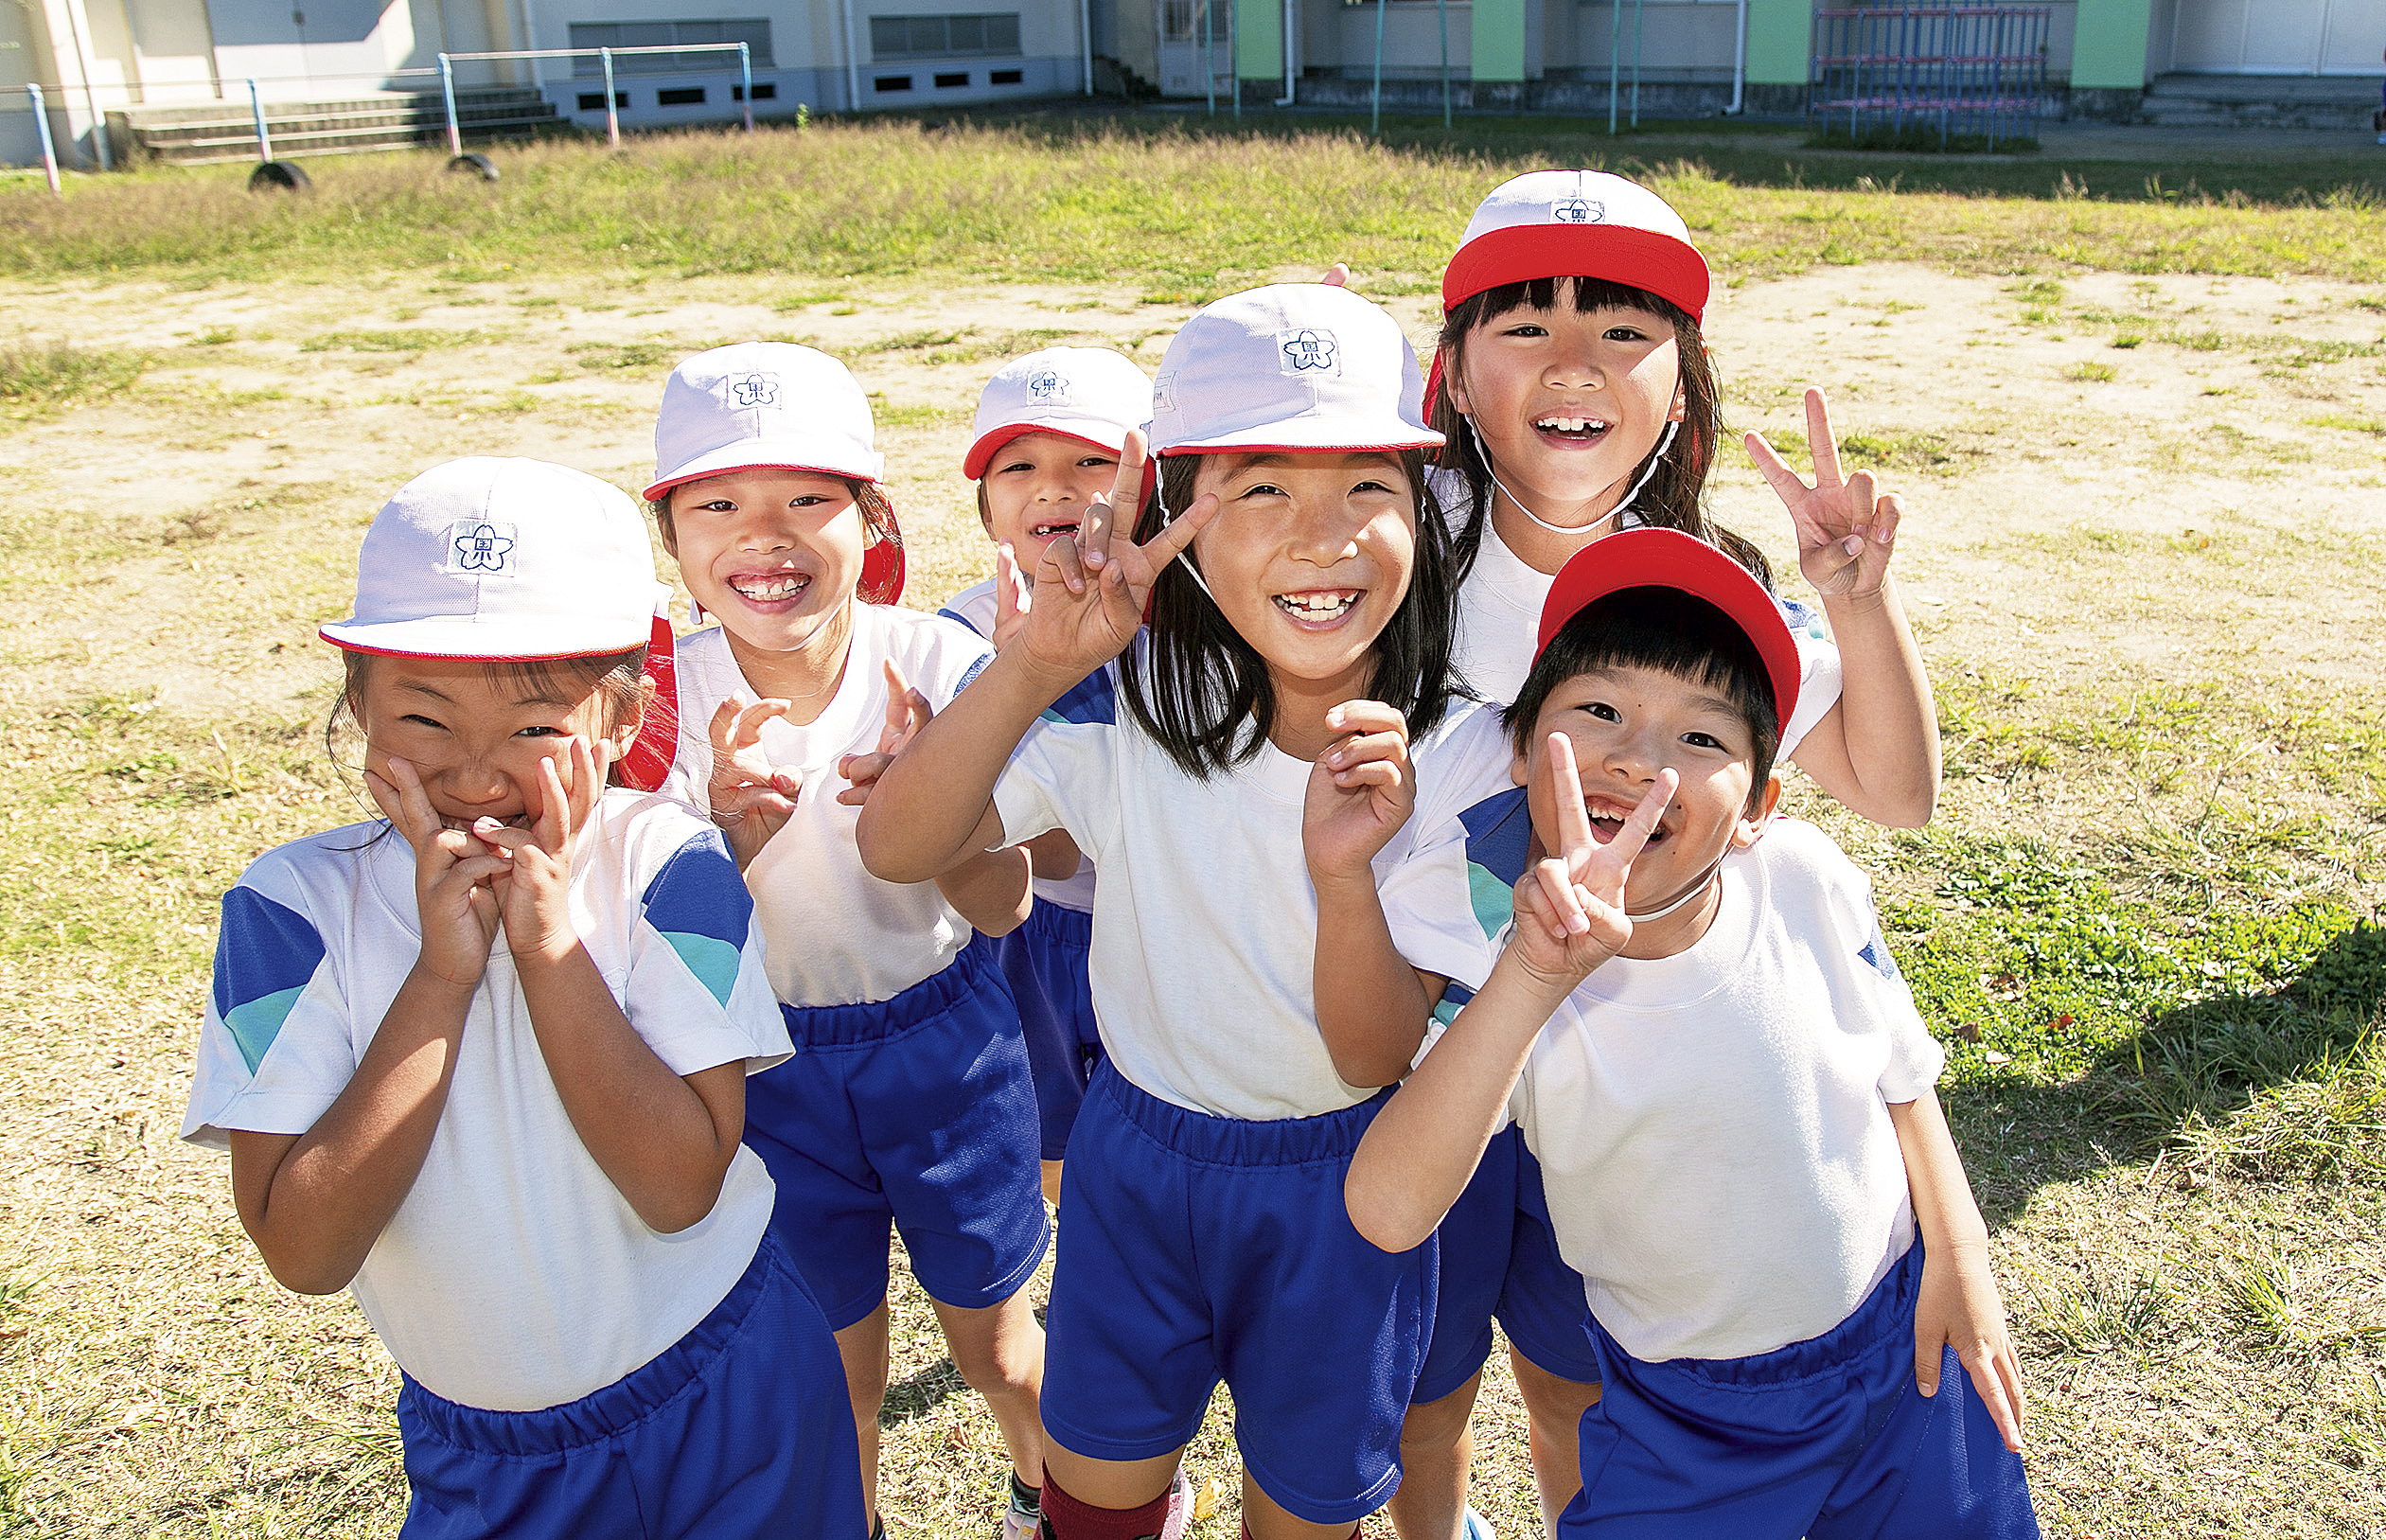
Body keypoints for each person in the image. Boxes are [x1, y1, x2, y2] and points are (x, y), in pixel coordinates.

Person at [857, 283, 1476, 1540]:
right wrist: (1034, 664)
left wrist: (1344, 871)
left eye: (1368, 483)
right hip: (1136, 1162)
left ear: (1423, 507)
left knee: (1303, 1511)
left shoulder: (1465, 746)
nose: (1320, 536)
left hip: (1346, 1178)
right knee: (1096, 1495)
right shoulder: (1120, 698)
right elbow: (897, 844)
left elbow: (1373, 1052)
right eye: (1260, 488)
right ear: (1176, 515)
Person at [1400, 168, 1948, 1532]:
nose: (1574, 362)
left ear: (1681, 383)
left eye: (1625, 330)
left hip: (1628, 1073)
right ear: (1452, 371)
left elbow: (1894, 790)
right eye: (1524, 324)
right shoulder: (1399, 546)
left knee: (1576, 1374)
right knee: (1419, 1390)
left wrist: (1857, 602)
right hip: (1435, 1047)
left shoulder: (1710, 583)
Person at [181, 456, 862, 1539]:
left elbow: (680, 1186)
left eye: (535, 727)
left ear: (622, 718)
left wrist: (548, 946)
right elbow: (304, 1252)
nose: (476, 775)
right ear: (358, 703)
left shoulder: (670, 863)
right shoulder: (289, 911)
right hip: (487, 1449)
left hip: (733, 1380)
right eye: (424, 717)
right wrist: (441, 976)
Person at [1339, 527, 2038, 1538]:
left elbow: (1899, 1073)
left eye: (1702, 738)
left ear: (1759, 805)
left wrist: (1961, 1252)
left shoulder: (1804, 878)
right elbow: (1387, 1208)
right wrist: (1532, 978)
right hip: (1682, 1419)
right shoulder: (1506, 961)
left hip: (1903, 1361)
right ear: (1523, 750)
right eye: (1600, 710)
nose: (1640, 757)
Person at [646, 343, 1050, 1540]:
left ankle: (1056, 1495)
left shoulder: (937, 662)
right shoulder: (657, 705)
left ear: (870, 517)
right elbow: (647, 958)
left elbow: (1005, 906)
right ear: (669, 535)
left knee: (996, 1346)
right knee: (834, 1375)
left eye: (806, 498)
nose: (763, 537)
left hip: (944, 1047)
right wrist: (727, 840)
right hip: (763, 1069)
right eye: (718, 505)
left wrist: (933, 817)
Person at [940, 346, 1155, 1206]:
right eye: (1017, 466)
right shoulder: (958, 634)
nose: (1053, 490)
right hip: (1032, 924)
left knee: (1156, 1111)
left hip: (1162, 916)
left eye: (1089, 462)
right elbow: (1044, 852)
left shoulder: (1192, 617)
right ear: (985, 503)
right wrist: (1017, 682)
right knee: (1053, 1132)